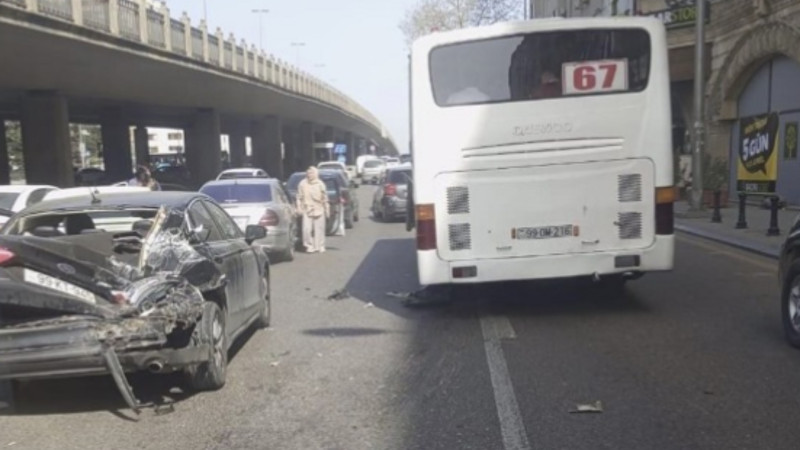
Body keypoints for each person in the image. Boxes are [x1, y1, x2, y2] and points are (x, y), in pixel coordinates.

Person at [297, 166, 329, 253]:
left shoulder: (320, 184)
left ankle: (319, 246)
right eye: (308, 173)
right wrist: (299, 207)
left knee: (319, 229)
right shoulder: (302, 184)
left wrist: (327, 209)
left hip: (319, 208)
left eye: (311, 173)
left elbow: (325, 198)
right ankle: (309, 246)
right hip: (307, 209)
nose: (309, 175)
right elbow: (299, 197)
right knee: (306, 229)